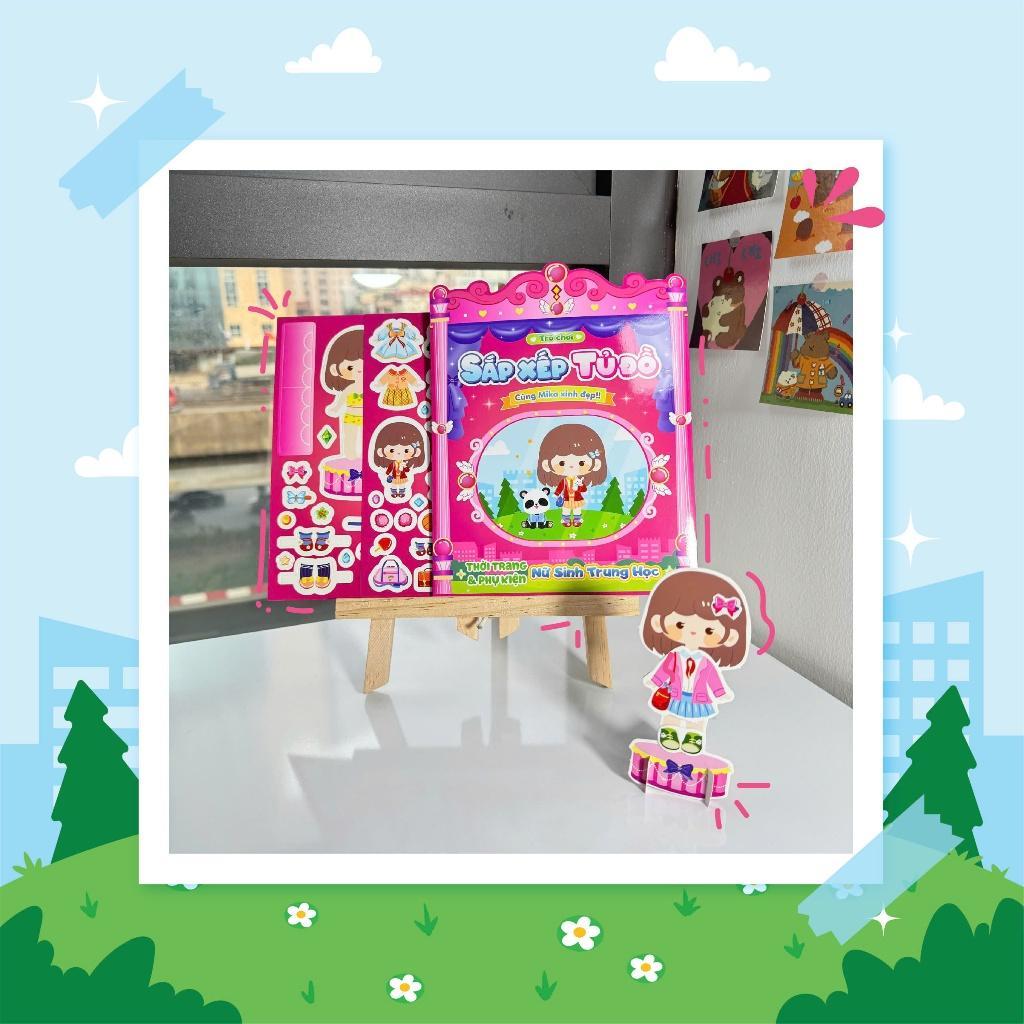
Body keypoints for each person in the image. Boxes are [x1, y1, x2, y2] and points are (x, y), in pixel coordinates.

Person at [640, 569, 750, 754]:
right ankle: (669, 733)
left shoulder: (706, 663)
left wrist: (720, 693)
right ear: (658, 622)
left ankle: (694, 737)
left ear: (730, 636)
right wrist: (655, 681)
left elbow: (713, 679)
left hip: (699, 698)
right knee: (671, 716)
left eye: (709, 631)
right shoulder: (674, 656)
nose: (693, 632)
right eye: (680, 624)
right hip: (675, 694)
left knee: (697, 720)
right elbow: (664, 670)